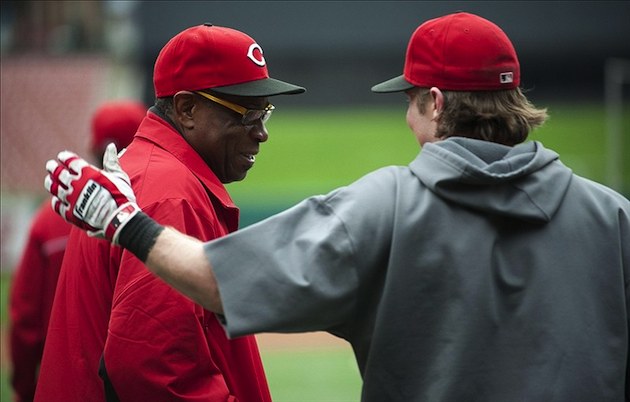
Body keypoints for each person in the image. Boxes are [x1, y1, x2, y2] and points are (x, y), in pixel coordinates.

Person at [45, 12, 630, 402]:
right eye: (245, 113)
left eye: (408, 100)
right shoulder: (614, 217)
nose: (260, 132)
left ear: (432, 101)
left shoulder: (384, 207)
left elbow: (219, 285)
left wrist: (122, 220)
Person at [37, 23, 304, 402]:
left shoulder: (153, 172)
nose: (261, 133)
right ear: (187, 108)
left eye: (265, 113)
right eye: (246, 114)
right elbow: (156, 372)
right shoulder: (168, 194)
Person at [8, 99, 145, 402]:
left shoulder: (49, 218)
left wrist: (24, 389)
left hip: (64, 383)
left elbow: (26, 320)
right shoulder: (156, 213)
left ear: (94, 146)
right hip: (135, 385)